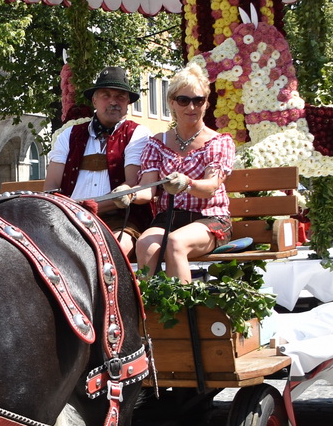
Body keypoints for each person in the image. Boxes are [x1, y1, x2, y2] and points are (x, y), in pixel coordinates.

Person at [135, 66, 235, 282]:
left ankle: (181, 309)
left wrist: (187, 183)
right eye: (183, 100)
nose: (191, 106)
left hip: (210, 219)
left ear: (206, 103)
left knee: (175, 243)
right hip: (169, 219)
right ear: (172, 102)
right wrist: (128, 194)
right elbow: (147, 191)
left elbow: (210, 187)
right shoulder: (156, 143)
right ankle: (148, 311)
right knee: (144, 245)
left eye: (198, 100)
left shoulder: (218, 142)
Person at [45, 66, 151, 257]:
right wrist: (67, 212)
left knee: (117, 249)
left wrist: (88, 208)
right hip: (70, 218)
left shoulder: (137, 134)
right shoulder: (69, 135)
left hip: (119, 219)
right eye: (106, 95)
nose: (113, 101)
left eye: (120, 96)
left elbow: (131, 185)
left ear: (128, 103)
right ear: (94, 100)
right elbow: (51, 186)